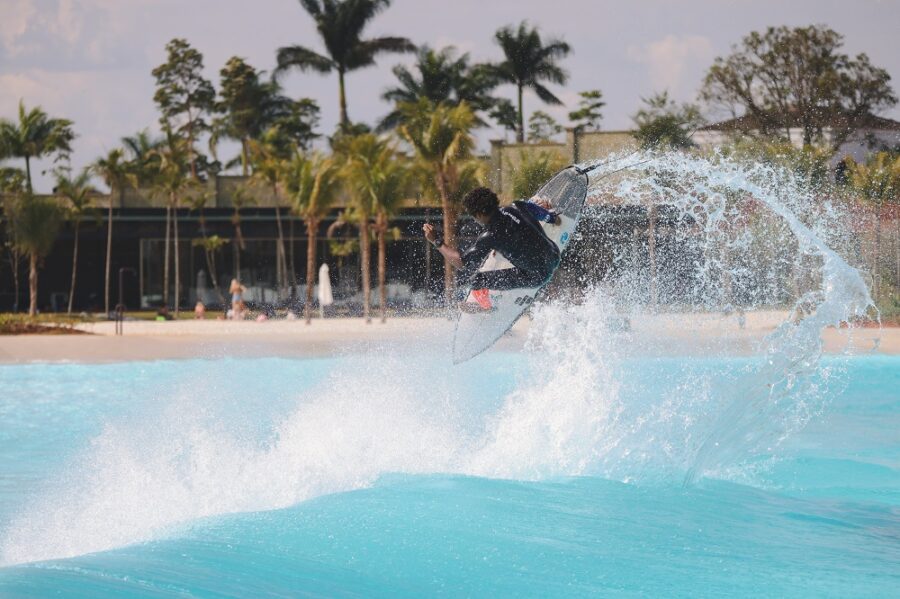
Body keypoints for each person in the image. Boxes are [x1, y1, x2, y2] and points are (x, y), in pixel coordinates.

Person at [422, 187, 561, 303]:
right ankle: (544, 204)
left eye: (474, 216)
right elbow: (541, 217)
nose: (475, 220)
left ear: (480, 214)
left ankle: (488, 304)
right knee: (531, 205)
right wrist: (551, 218)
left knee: (476, 280)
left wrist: (436, 241)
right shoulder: (516, 206)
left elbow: (461, 262)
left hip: (538, 276)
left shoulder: (490, 236)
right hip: (554, 254)